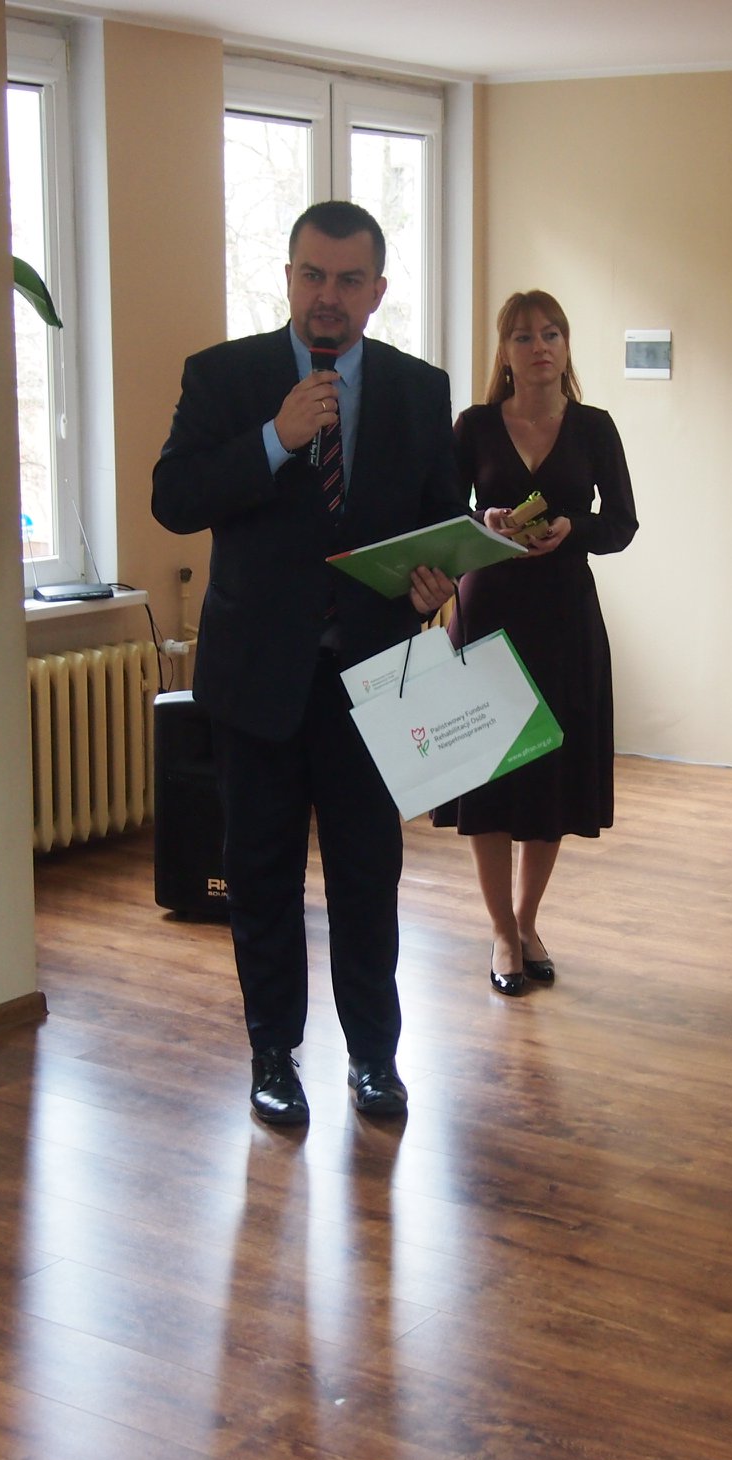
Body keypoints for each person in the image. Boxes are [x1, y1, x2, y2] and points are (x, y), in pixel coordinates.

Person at [151, 201, 462, 1126]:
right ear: (289, 277)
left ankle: (373, 1058)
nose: (329, 296)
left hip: (373, 676)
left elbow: (440, 520)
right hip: (257, 681)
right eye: (313, 275)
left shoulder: (419, 388)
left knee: (368, 877)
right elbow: (174, 497)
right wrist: (274, 440)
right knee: (261, 876)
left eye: (349, 280)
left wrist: (433, 583)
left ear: (378, 290)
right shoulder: (225, 376)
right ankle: (273, 1056)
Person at [432, 291, 638, 994]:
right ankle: (499, 932)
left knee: (550, 773)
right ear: (505, 352)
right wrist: (483, 521)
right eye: (523, 336)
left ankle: (526, 922)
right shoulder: (474, 425)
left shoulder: (594, 427)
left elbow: (622, 524)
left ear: (567, 345)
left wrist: (574, 528)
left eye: (551, 333)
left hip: (565, 620)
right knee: (490, 776)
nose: (540, 346)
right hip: (487, 613)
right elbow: (443, 514)